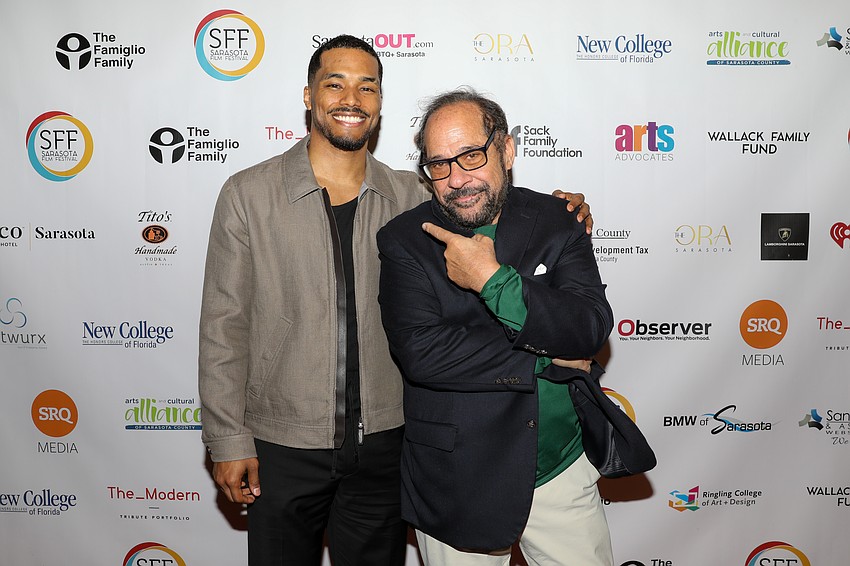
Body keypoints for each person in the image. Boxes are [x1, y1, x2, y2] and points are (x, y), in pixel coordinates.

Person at [198, 36, 592, 565]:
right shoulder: (249, 194)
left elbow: (486, 195)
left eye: (367, 86)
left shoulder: (414, 195)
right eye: (334, 83)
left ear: (380, 103)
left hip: (387, 443)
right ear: (309, 96)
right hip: (281, 442)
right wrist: (228, 440)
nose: (350, 97)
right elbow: (224, 325)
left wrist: (563, 208)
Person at [377, 88, 615, 565]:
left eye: (470, 155)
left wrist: (491, 280)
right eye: (438, 164)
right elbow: (424, 354)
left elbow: (589, 326)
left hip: (558, 467)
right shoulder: (403, 240)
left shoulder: (557, 220)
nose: (456, 179)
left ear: (505, 150)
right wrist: (547, 351)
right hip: (457, 478)